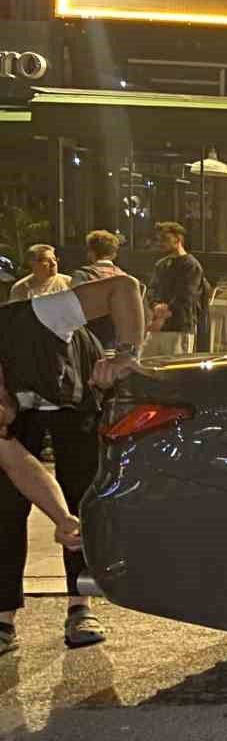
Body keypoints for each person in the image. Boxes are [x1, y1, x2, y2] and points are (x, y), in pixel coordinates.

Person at [0, 277, 146, 657]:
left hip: (75, 393)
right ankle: (3, 614)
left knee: (82, 489)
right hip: (29, 403)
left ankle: (80, 604)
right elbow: (18, 465)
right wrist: (59, 517)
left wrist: (125, 352)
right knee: (4, 502)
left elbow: (124, 287)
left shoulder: (34, 318)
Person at [145, 223, 206, 358]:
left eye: (165, 239)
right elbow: (152, 289)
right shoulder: (161, 264)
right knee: (146, 363)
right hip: (157, 326)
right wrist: (155, 305)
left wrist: (164, 314)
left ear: (178, 240)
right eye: (159, 239)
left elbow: (186, 295)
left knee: (176, 369)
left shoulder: (191, 265)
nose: (161, 243)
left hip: (179, 325)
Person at [71, 230, 140, 347]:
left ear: (91, 253)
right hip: (120, 342)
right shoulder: (127, 280)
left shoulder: (82, 275)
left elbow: (73, 309)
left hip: (92, 340)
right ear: (114, 254)